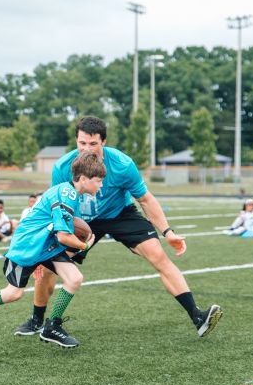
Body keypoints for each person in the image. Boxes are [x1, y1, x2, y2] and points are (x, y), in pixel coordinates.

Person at [15, 116, 222, 339]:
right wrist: (43, 246)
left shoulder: (122, 165)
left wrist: (168, 232)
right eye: (82, 143)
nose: (87, 149)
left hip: (118, 214)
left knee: (158, 255)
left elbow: (146, 200)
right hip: (81, 220)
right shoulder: (63, 167)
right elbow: (56, 205)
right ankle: (37, 320)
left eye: (92, 143)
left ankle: (197, 317)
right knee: (47, 267)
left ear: (103, 142)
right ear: (76, 141)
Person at [0, 152, 105, 348]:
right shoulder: (67, 194)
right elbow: (64, 236)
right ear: (83, 179)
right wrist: (85, 245)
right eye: (98, 181)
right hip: (28, 245)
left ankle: (51, 326)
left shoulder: (72, 195)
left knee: (74, 278)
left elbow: (64, 234)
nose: (101, 185)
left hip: (45, 244)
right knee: (14, 293)